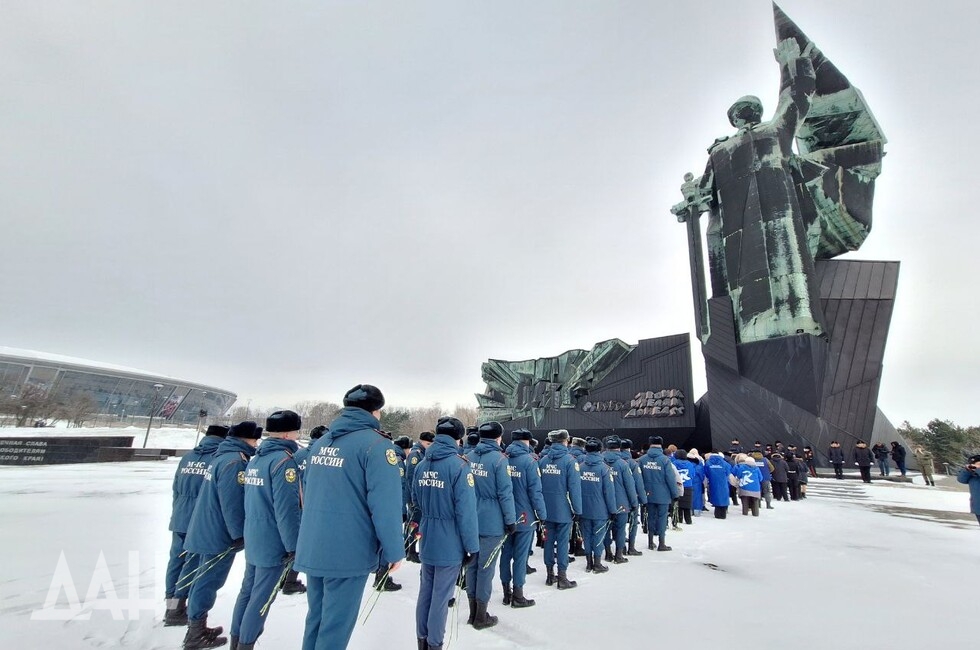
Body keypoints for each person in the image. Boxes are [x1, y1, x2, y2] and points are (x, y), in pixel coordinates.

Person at [294, 385, 404, 650]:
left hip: (314, 544)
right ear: (376, 411)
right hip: (348, 550)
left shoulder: (321, 443)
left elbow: (307, 490)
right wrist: (394, 551)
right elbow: (386, 506)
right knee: (335, 627)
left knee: (317, 620)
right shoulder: (377, 446)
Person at [182, 421, 262, 650]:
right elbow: (232, 503)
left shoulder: (222, 455)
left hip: (207, 527)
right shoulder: (235, 461)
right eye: (255, 440)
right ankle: (195, 632)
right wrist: (238, 534)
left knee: (203, 578)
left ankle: (196, 626)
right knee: (208, 581)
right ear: (247, 439)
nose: (257, 444)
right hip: (218, 533)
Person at [230, 410, 303, 650]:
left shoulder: (256, 458)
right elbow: (286, 509)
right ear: (286, 433)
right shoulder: (283, 461)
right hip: (273, 539)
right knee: (261, 597)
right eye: (295, 431)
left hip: (254, 533)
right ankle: (246, 643)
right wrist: (293, 546)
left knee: (247, 591)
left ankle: (237, 639)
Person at [413, 417, 479, 650]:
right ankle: (435, 644)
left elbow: (415, 500)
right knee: (441, 596)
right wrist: (472, 546)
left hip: (428, 534)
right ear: (458, 438)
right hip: (449, 538)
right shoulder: (459, 466)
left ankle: (422, 640)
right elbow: (466, 512)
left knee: (426, 592)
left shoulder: (422, 464)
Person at [165, 424, 228, 627]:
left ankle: (172, 606)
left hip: (180, 515)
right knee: (192, 564)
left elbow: (175, 486)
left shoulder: (188, 456)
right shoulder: (217, 459)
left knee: (175, 561)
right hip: (199, 520)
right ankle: (182, 606)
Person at [463, 421, 516, 629]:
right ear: (498, 437)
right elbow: (505, 493)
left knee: (472, 566)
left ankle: (472, 612)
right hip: (492, 522)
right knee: (486, 567)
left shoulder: (468, 457)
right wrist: (510, 520)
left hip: (470, 519)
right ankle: (481, 616)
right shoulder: (499, 460)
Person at [500, 428, 546, 609]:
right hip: (525, 516)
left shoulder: (503, 458)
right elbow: (535, 492)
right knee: (520, 556)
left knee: (506, 554)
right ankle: (518, 595)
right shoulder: (529, 461)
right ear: (527, 441)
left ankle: (506, 593)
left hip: (506, 516)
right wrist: (542, 515)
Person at [537, 429, 582, 589]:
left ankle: (550, 575)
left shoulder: (542, 461)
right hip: (563, 509)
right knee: (562, 543)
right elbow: (574, 489)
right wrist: (577, 510)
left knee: (548, 541)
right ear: (566, 441)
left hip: (546, 509)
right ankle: (562, 577)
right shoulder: (570, 461)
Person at [579, 438, 616, 574]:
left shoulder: (580, 467)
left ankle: (588, 563)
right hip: (600, 509)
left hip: (584, 509)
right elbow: (609, 492)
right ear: (600, 450)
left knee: (587, 536)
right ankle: (597, 563)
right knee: (598, 536)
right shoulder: (604, 469)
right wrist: (612, 510)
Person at [639, 436, 681, 551]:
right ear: (661, 445)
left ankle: (650, 541)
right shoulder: (665, 460)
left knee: (650, 517)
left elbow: (639, 478)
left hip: (648, 493)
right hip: (663, 495)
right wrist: (675, 494)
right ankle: (661, 543)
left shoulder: (642, 460)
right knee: (662, 518)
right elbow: (670, 479)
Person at [405, 431, 435, 564]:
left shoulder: (422, 452)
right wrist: (413, 497)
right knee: (414, 524)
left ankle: (411, 549)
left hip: (418, 496)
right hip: (413, 497)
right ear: (424, 442)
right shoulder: (415, 455)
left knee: (416, 523)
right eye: (429, 444)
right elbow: (411, 478)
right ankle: (411, 551)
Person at [621, 439, 647, 552]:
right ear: (629, 449)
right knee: (632, 523)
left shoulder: (608, 461)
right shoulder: (632, 463)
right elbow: (638, 483)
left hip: (616, 499)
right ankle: (631, 547)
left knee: (619, 525)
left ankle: (620, 546)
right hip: (632, 498)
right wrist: (643, 500)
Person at [704, 453, 732, 519]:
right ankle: (723, 514)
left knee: (716, 497)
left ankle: (717, 514)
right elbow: (729, 473)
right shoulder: (725, 463)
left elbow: (706, 473)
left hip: (713, 483)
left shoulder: (708, 463)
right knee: (723, 497)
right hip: (723, 483)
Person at [956, 455, 980, 526]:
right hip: (977, 506)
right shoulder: (972, 475)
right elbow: (961, 479)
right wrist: (967, 470)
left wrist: (977, 469)